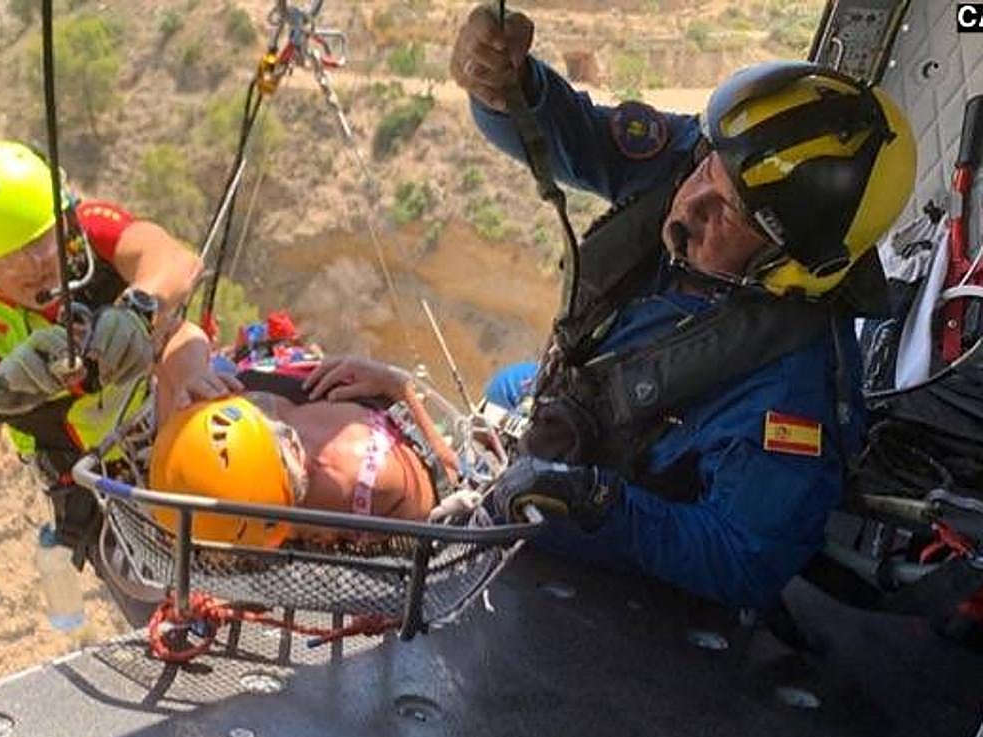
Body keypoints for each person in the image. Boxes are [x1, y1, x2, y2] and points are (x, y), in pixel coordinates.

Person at [450, 6, 917, 609]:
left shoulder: (793, 393)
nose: (691, 204)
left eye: (730, 214)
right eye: (705, 170)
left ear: (787, 265)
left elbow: (742, 558)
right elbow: (577, 135)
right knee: (505, 388)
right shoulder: (709, 163)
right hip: (571, 430)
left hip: (617, 526)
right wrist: (503, 88)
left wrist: (599, 503)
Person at [0, 139, 203, 551]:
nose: (36, 265)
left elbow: (177, 261)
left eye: (40, 242)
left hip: (168, 415)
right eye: (11, 258)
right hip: (99, 489)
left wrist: (136, 311)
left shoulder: (88, 236)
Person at [148, 318, 462, 544]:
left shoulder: (192, 444)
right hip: (353, 408)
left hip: (330, 392)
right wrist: (397, 387)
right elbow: (448, 484)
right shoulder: (360, 477)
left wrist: (192, 375)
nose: (295, 444)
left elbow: (176, 333)